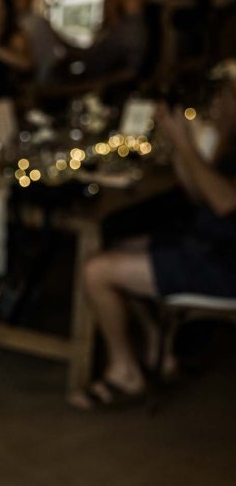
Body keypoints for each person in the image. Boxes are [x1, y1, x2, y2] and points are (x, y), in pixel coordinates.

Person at [78, 76, 236, 408]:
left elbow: (223, 202)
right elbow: (200, 195)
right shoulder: (229, 139)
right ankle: (157, 350)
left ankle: (125, 372)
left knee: (96, 271)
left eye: (226, 97)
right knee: (114, 247)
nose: (218, 105)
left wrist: (186, 144)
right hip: (208, 244)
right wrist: (179, 146)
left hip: (223, 263)